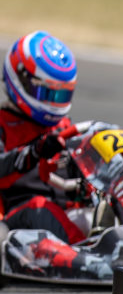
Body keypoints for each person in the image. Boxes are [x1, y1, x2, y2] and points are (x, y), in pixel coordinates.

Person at [0, 30, 86, 244]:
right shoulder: (3, 124)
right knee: (40, 208)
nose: (53, 104)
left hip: (66, 211)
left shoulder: (62, 128)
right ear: (21, 79)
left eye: (61, 95)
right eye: (48, 94)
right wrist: (35, 151)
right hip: (17, 218)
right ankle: (87, 258)